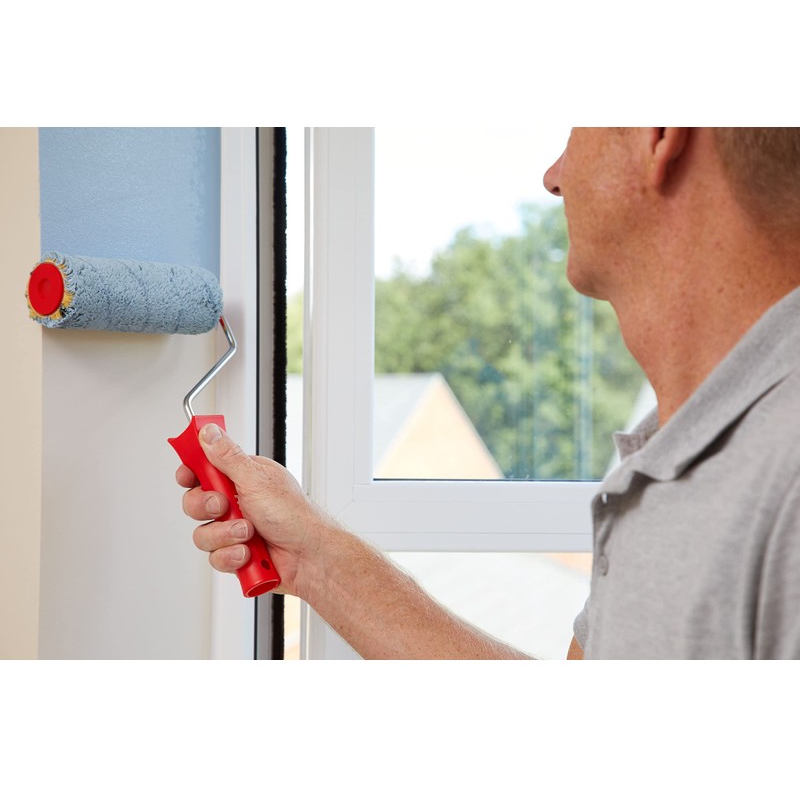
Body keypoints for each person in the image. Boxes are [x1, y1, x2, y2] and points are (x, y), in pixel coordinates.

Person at [177, 128, 800, 659]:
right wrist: (314, 559)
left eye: (577, 132)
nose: (553, 178)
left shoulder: (784, 472)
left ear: (657, 134)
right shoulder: (682, 452)